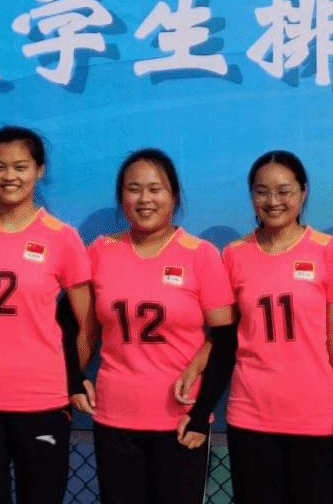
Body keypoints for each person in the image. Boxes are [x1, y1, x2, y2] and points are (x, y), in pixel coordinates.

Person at [0, 125, 93, 504]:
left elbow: (88, 323)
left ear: (39, 170)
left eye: (21, 166)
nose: (10, 176)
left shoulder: (63, 237)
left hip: (43, 400)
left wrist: (67, 375)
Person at [72, 148, 235, 504]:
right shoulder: (100, 251)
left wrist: (200, 413)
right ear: (121, 198)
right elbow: (70, 322)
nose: (144, 199)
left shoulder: (200, 254)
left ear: (174, 195)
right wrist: (72, 377)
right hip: (114, 418)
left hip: (180, 423)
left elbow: (225, 339)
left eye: (155, 189)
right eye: (133, 189)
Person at [219, 150, 333, 504]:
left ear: (303, 192)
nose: (273, 201)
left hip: (316, 419)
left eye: (284, 191)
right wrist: (194, 367)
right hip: (251, 417)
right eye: (262, 191)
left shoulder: (329, 250)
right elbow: (225, 334)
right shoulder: (234, 254)